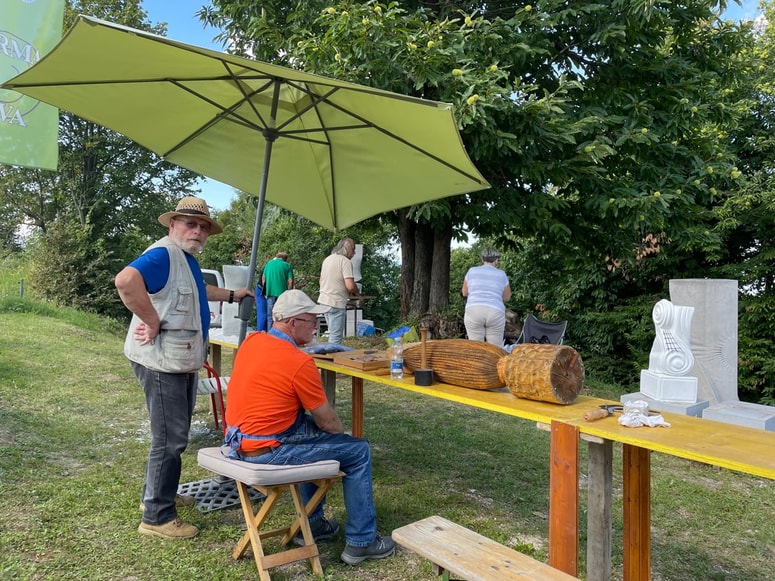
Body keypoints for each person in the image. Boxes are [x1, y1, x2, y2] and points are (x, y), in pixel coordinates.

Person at [223, 289, 396, 565]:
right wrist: (340, 440)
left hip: (239, 441)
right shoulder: (299, 361)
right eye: (312, 319)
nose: (316, 325)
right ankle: (362, 542)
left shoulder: (252, 341)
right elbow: (328, 422)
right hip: (268, 449)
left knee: (309, 433)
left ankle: (313, 524)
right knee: (358, 450)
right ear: (292, 323)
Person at [115, 196, 253, 540]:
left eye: (203, 227)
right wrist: (152, 319)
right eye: (190, 224)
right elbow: (126, 281)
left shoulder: (184, 258)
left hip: (179, 360)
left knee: (172, 435)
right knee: (170, 439)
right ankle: (157, 516)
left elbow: (197, 288)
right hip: (163, 362)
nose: (198, 231)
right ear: (173, 225)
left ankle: (162, 493)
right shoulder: (162, 254)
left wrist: (232, 296)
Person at [461, 247, 512, 346]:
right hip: (495, 312)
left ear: (482, 259)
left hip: (474, 311)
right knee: (495, 349)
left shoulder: (471, 271)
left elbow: (464, 293)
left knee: (476, 348)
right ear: (496, 260)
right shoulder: (502, 274)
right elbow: (507, 297)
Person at [318, 238, 359, 344]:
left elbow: (320, 281)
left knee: (332, 333)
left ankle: (329, 355)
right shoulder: (345, 261)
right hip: (336, 302)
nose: (354, 253)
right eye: (353, 249)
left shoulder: (327, 259)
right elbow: (350, 286)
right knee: (335, 338)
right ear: (347, 249)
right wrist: (356, 290)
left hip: (323, 301)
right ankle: (332, 358)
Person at [261, 251, 294, 330]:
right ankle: (279, 334)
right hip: (282, 295)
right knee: (281, 316)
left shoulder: (269, 264)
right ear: (285, 259)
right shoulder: (287, 265)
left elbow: (263, 279)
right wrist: (289, 292)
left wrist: (266, 290)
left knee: (270, 316)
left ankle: (270, 335)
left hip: (270, 293)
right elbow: (291, 281)